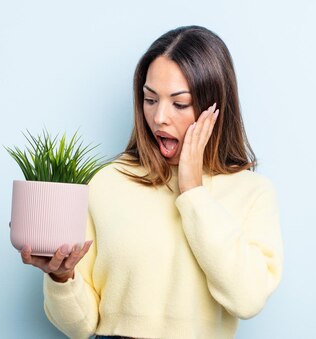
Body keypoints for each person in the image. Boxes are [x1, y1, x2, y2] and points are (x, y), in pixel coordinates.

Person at [19, 25, 284, 339]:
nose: (159, 117)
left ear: (215, 108)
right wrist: (61, 279)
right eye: (149, 99)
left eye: (179, 103)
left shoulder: (251, 192)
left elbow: (248, 299)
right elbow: (81, 326)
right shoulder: (107, 183)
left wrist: (193, 191)